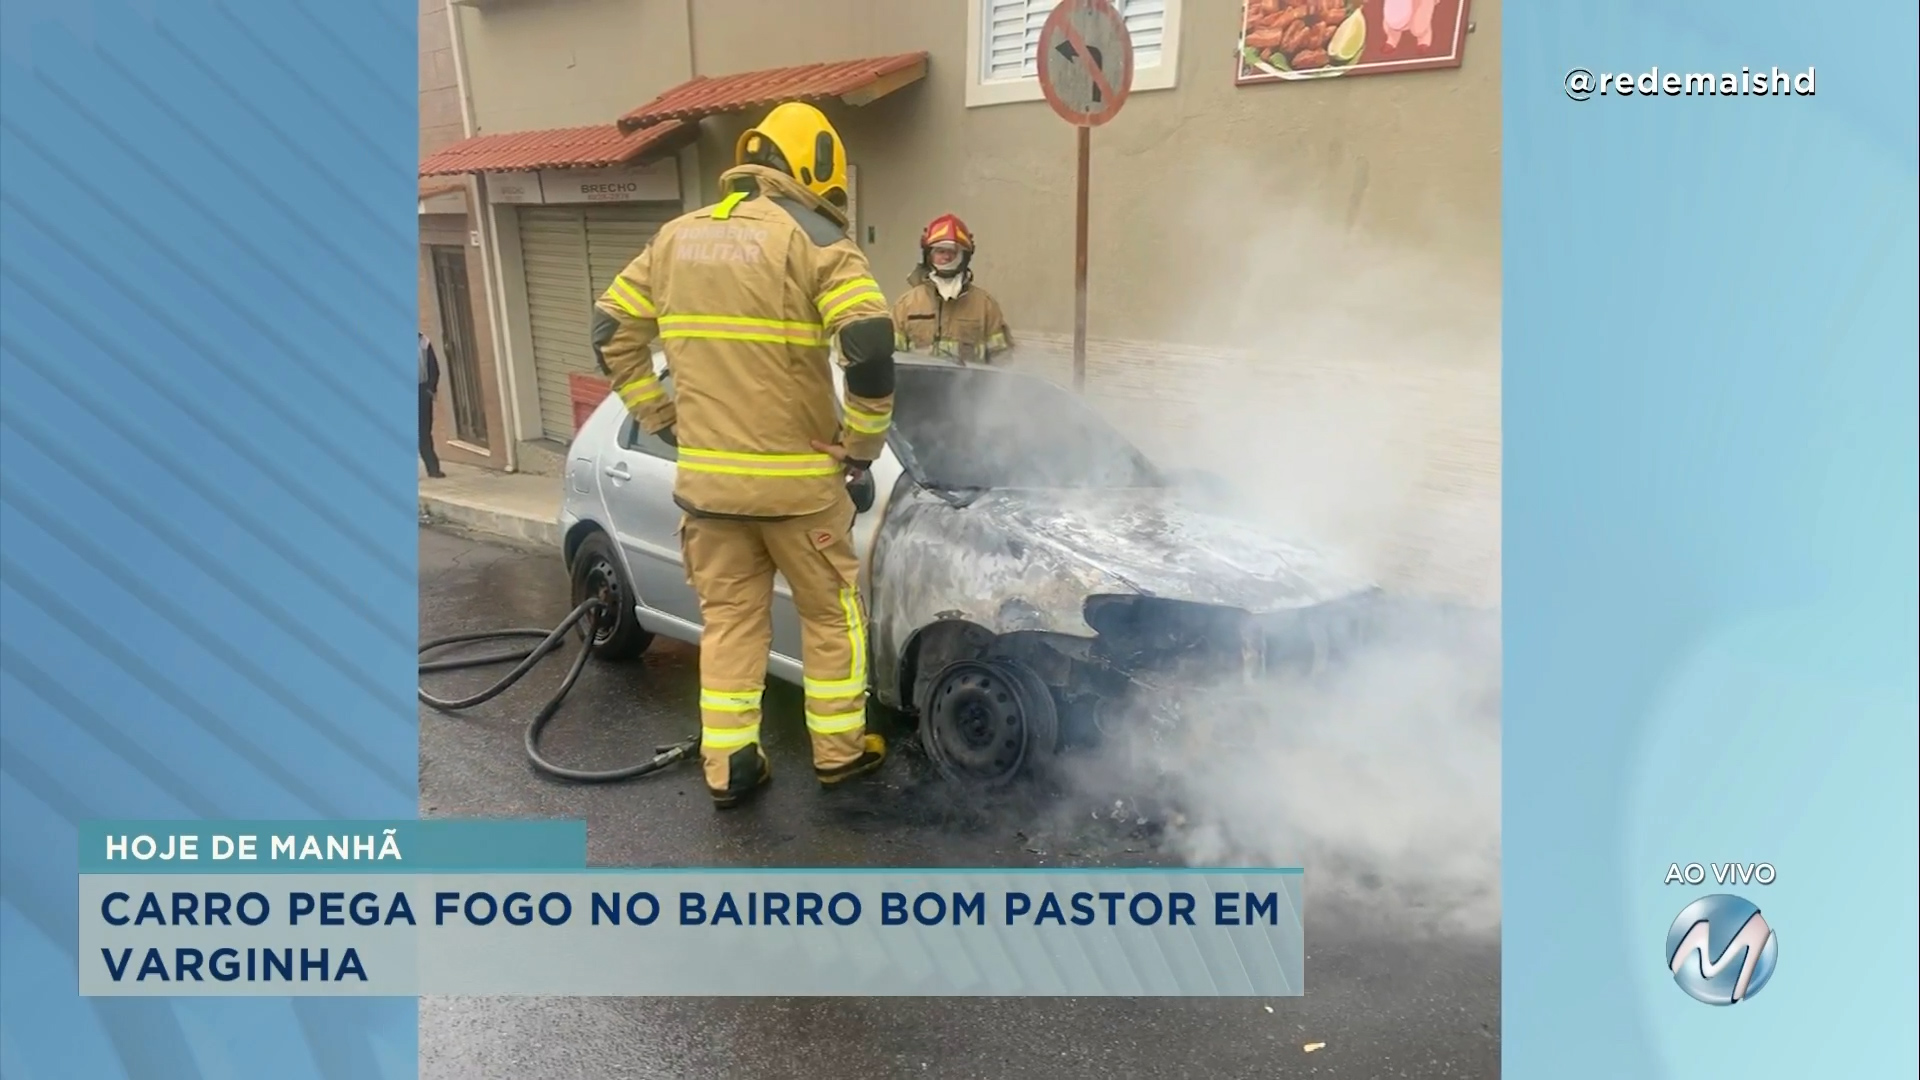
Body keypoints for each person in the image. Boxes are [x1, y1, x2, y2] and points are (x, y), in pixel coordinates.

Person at [589, 101, 896, 810]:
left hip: (709, 492)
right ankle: (840, 758)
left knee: (729, 624)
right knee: (829, 619)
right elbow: (872, 348)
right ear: (814, 165)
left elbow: (609, 327)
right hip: (799, 496)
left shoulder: (673, 238)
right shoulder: (817, 241)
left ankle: (730, 767)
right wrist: (861, 446)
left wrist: (659, 417)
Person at [889, 214, 1014, 365]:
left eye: (953, 252)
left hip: (970, 387)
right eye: (940, 251)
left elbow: (1002, 360)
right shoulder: (906, 306)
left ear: (965, 256)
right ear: (928, 255)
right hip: (919, 386)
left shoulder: (985, 306)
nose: (947, 257)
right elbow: (892, 359)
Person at [418, 330, 444, 478]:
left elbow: (433, 367)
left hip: (421, 389)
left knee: (423, 430)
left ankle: (433, 469)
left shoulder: (423, 341)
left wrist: (430, 388)